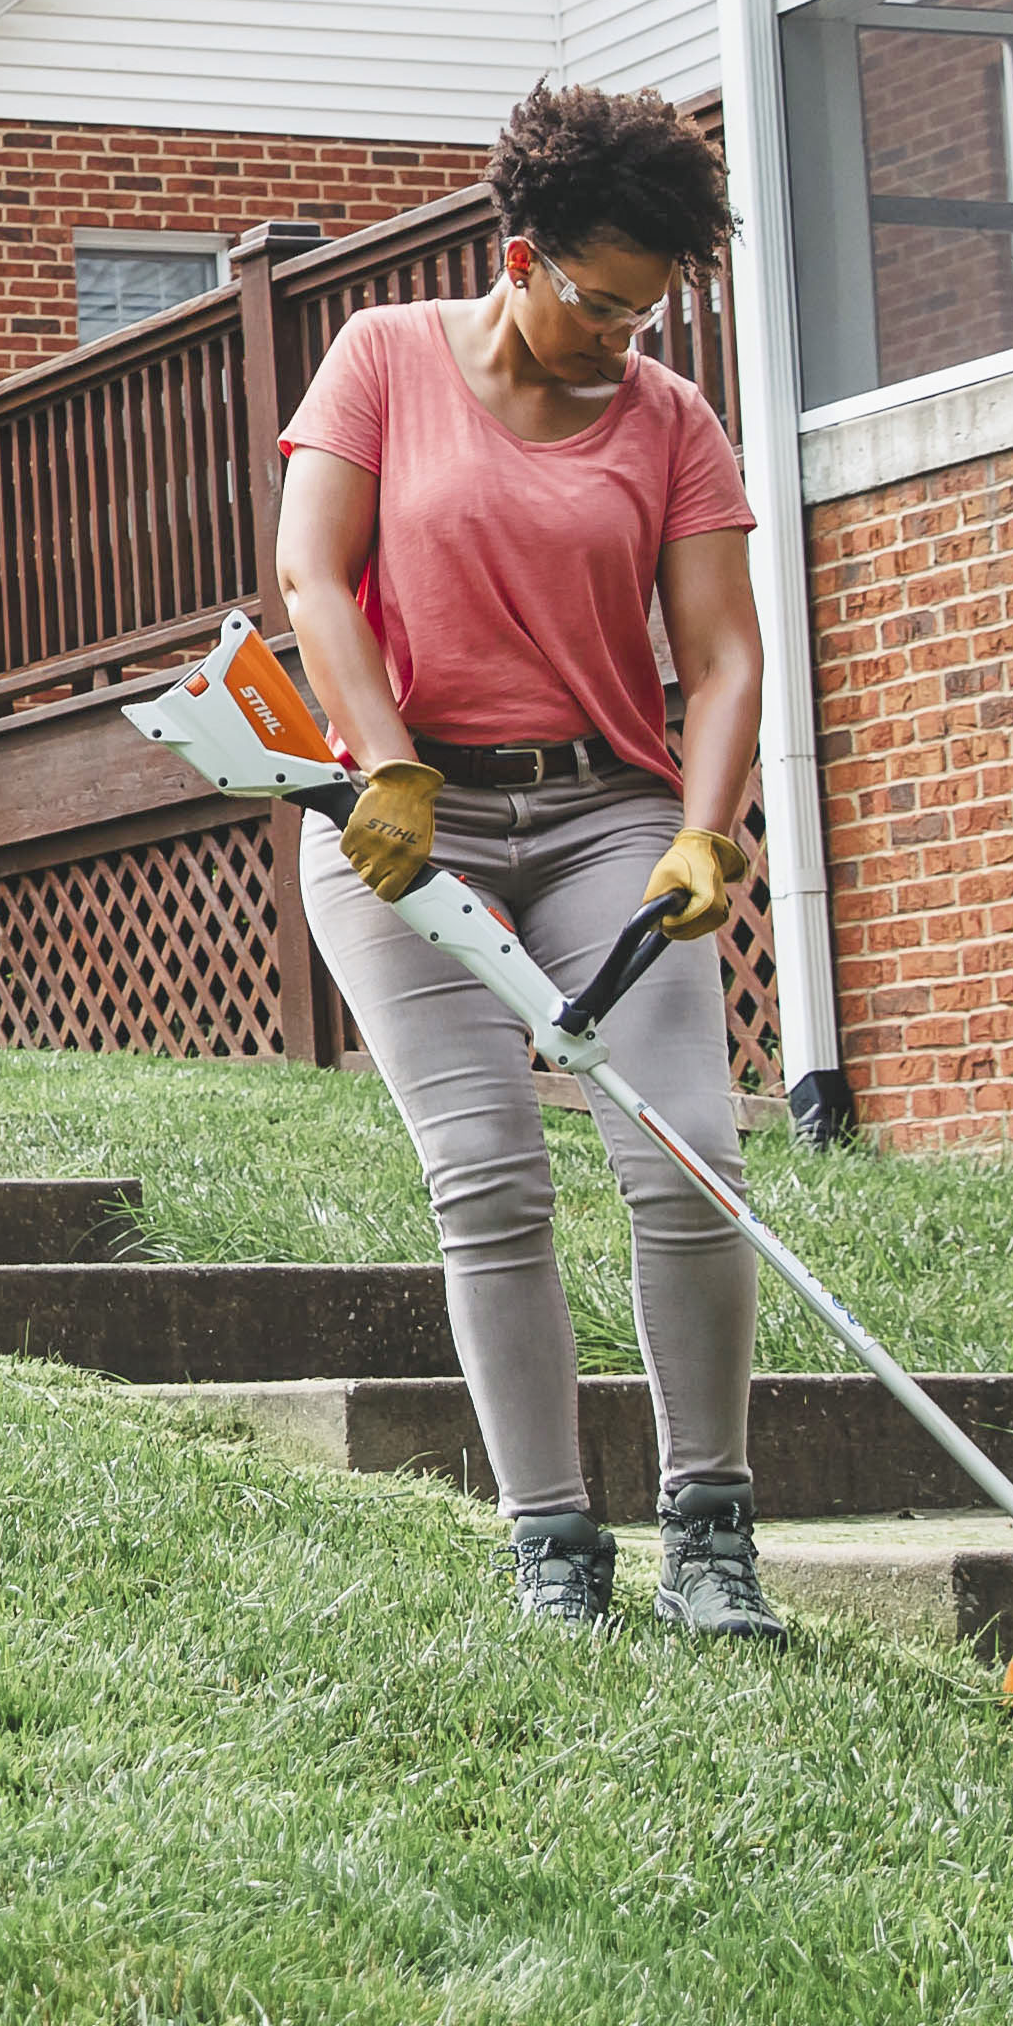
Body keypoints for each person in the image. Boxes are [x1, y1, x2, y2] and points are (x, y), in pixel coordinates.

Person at [266, 84, 777, 1635]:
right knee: (488, 1176)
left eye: (652, 312)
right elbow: (314, 573)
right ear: (524, 254)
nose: (626, 338)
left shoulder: (668, 420)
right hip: (400, 829)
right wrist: (389, 757)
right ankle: (554, 1544)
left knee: (690, 1153)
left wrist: (705, 825)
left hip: (600, 818)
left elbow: (726, 651)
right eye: (602, 304)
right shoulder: (383, 357)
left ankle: (711, 1533)